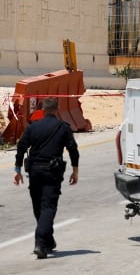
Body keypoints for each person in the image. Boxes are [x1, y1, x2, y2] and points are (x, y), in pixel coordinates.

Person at [13, 97, 80, 259]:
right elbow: (73, 149)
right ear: (57, 110)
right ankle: (41, 244)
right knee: (48, 207)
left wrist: (17, 169)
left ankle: (47, 240)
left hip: (34, 171)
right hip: (52, 172)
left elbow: (21, 146)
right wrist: (75, 170)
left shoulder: (33, 127)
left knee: (38, 206)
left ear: (42, 111)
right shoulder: (63, 128)